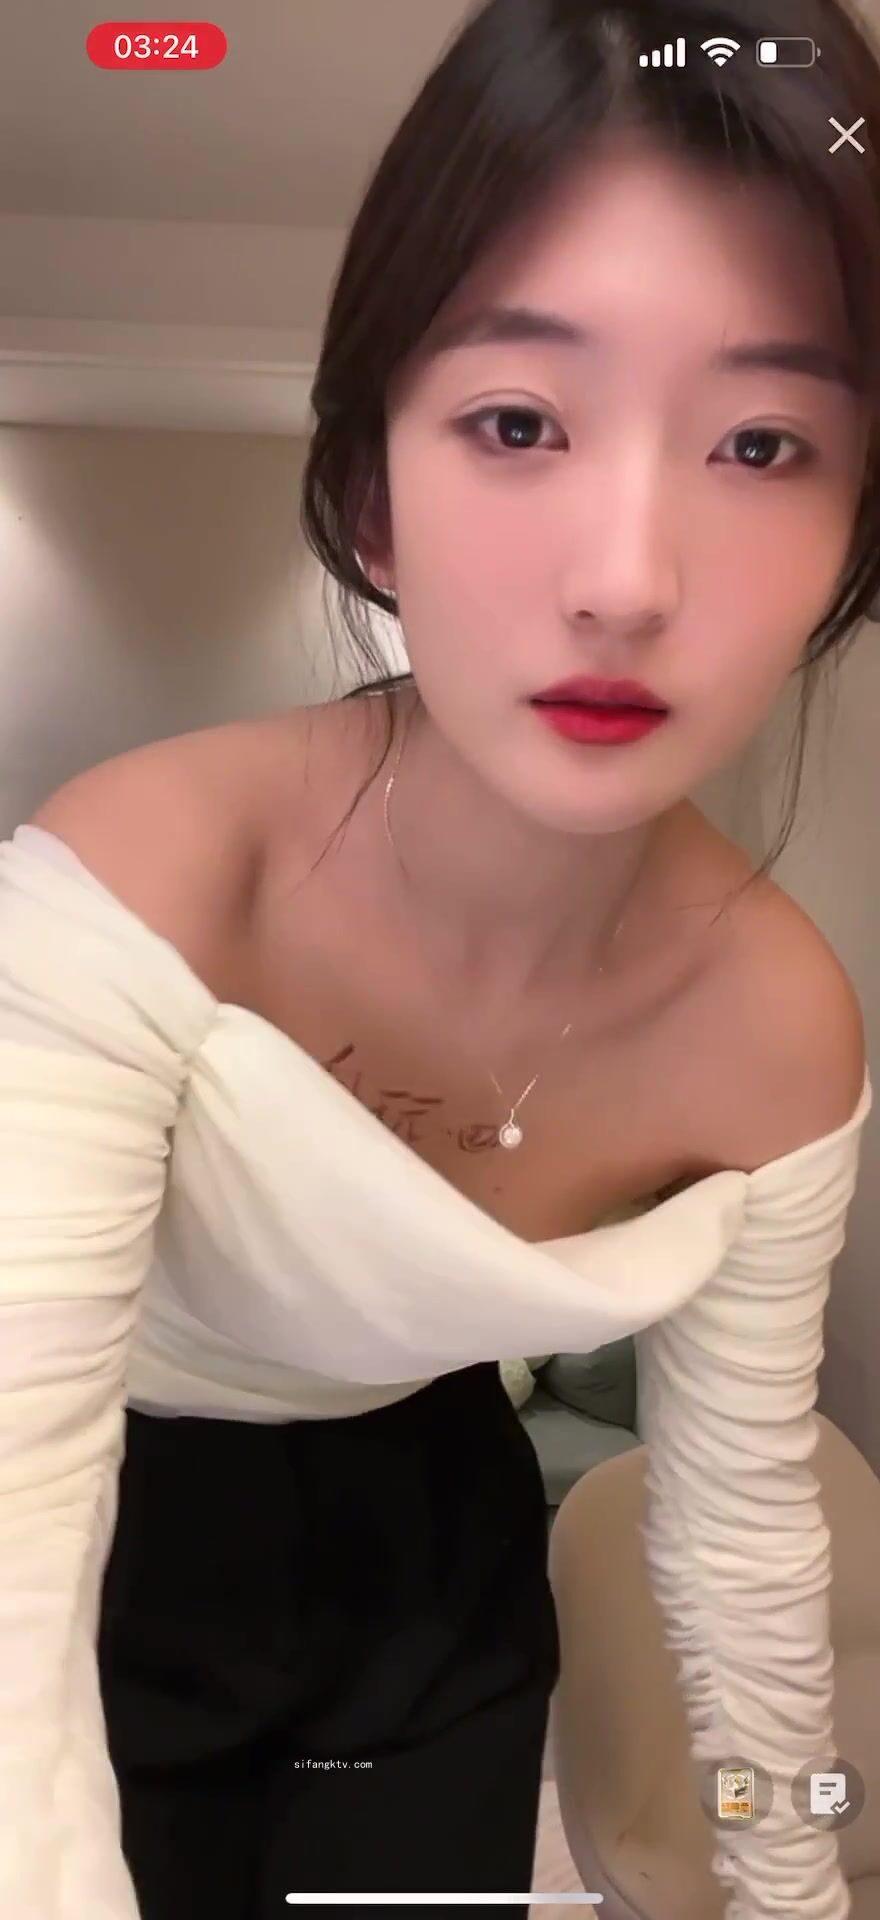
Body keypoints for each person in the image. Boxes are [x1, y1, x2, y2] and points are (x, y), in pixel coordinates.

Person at [1, 0, 879, 1914]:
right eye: (518, 423)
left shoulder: (783, 1031)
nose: (628, 580)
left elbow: (744, 1543)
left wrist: (794, 1886)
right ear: (371, 496)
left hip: (434, 1553)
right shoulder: (140, 875)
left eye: (760, 441)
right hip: (112, 1533)